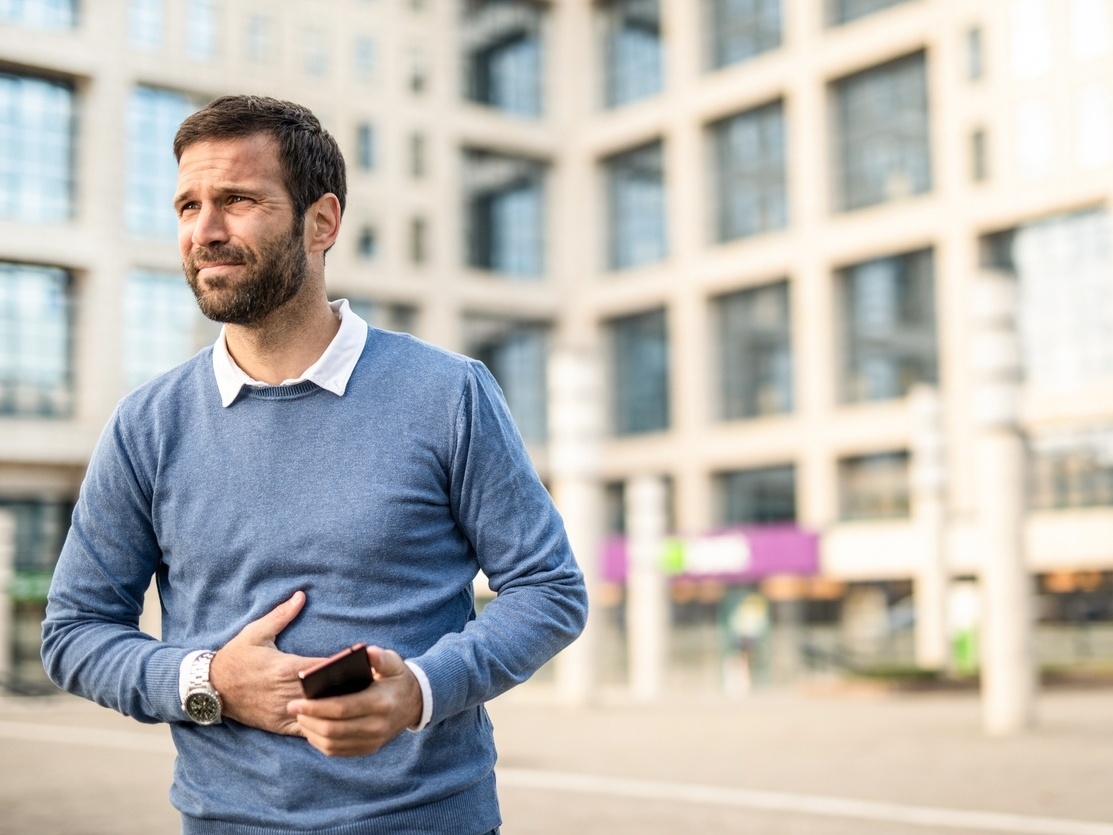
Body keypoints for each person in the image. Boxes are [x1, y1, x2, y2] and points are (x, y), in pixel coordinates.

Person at [41, 94, 588, 835]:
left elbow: (548, 587)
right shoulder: (146, 424)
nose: (204, 231)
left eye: (237, 200)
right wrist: (208, 682)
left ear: (321, 221)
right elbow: (75, 631)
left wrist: (419, 690)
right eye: (187, 205)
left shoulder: (447, 393)